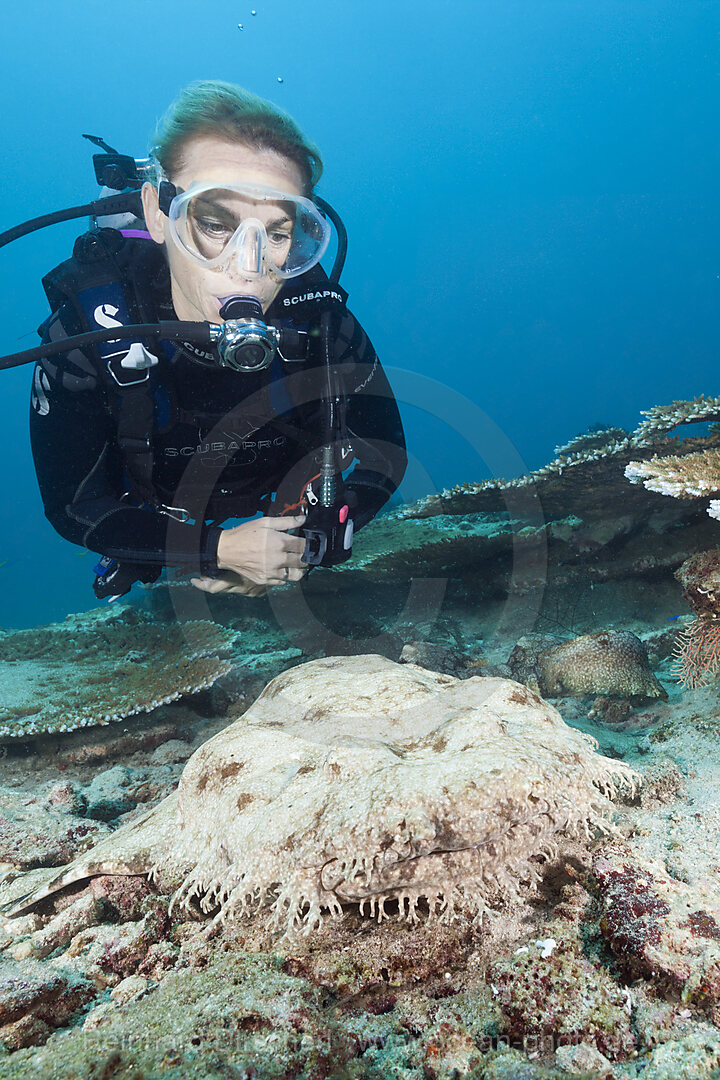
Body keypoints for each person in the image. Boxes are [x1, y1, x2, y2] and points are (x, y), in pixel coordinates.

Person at [29, 81, 407, 598]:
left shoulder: (320, 322)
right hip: (153, 505)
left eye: (276, 233)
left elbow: (385, 453)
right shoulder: (88, 333)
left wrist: (306, 545)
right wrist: (216, 550)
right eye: (214, 224)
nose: (247, 269)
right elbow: (75, 506)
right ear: (159, 214)